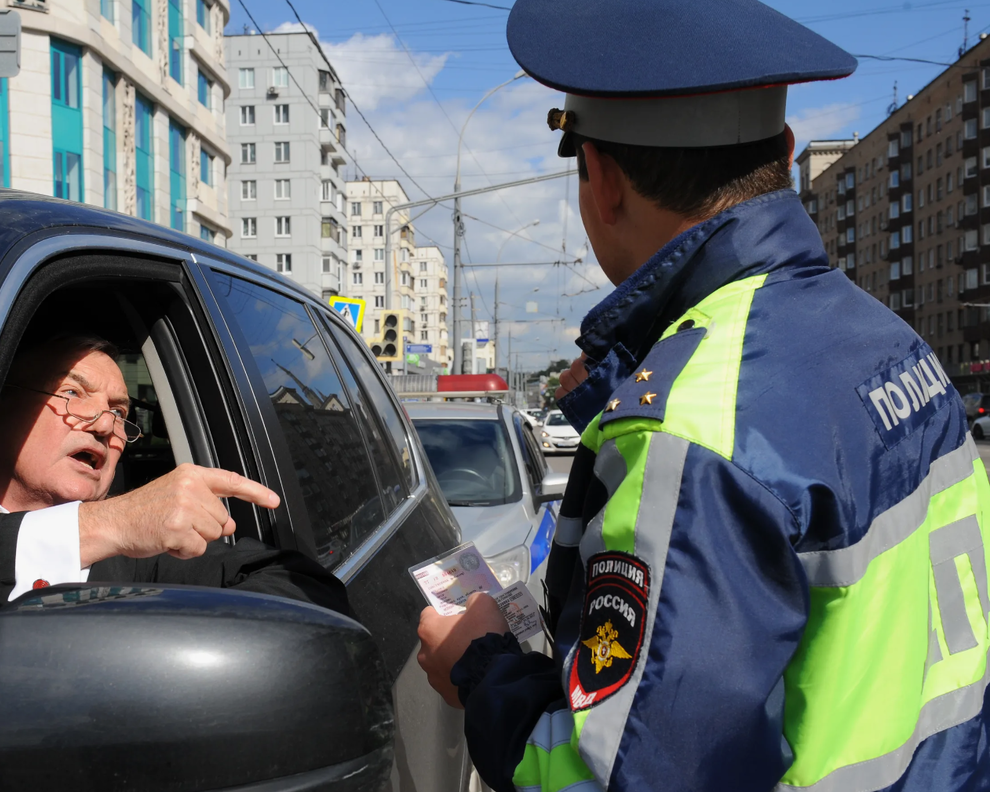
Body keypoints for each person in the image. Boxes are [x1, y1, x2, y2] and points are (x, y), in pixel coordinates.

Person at [416, 1, 990, 790]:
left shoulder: (686, 428)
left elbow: (619, 779)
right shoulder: (890, 342)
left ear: (604, 181)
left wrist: (480, 669)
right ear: (785, 153)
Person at [0, 331, 351, 648]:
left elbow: (309, 591)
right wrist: (105, 525)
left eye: (119, 412)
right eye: (72, 393)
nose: (105, 425)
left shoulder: (144, 555)